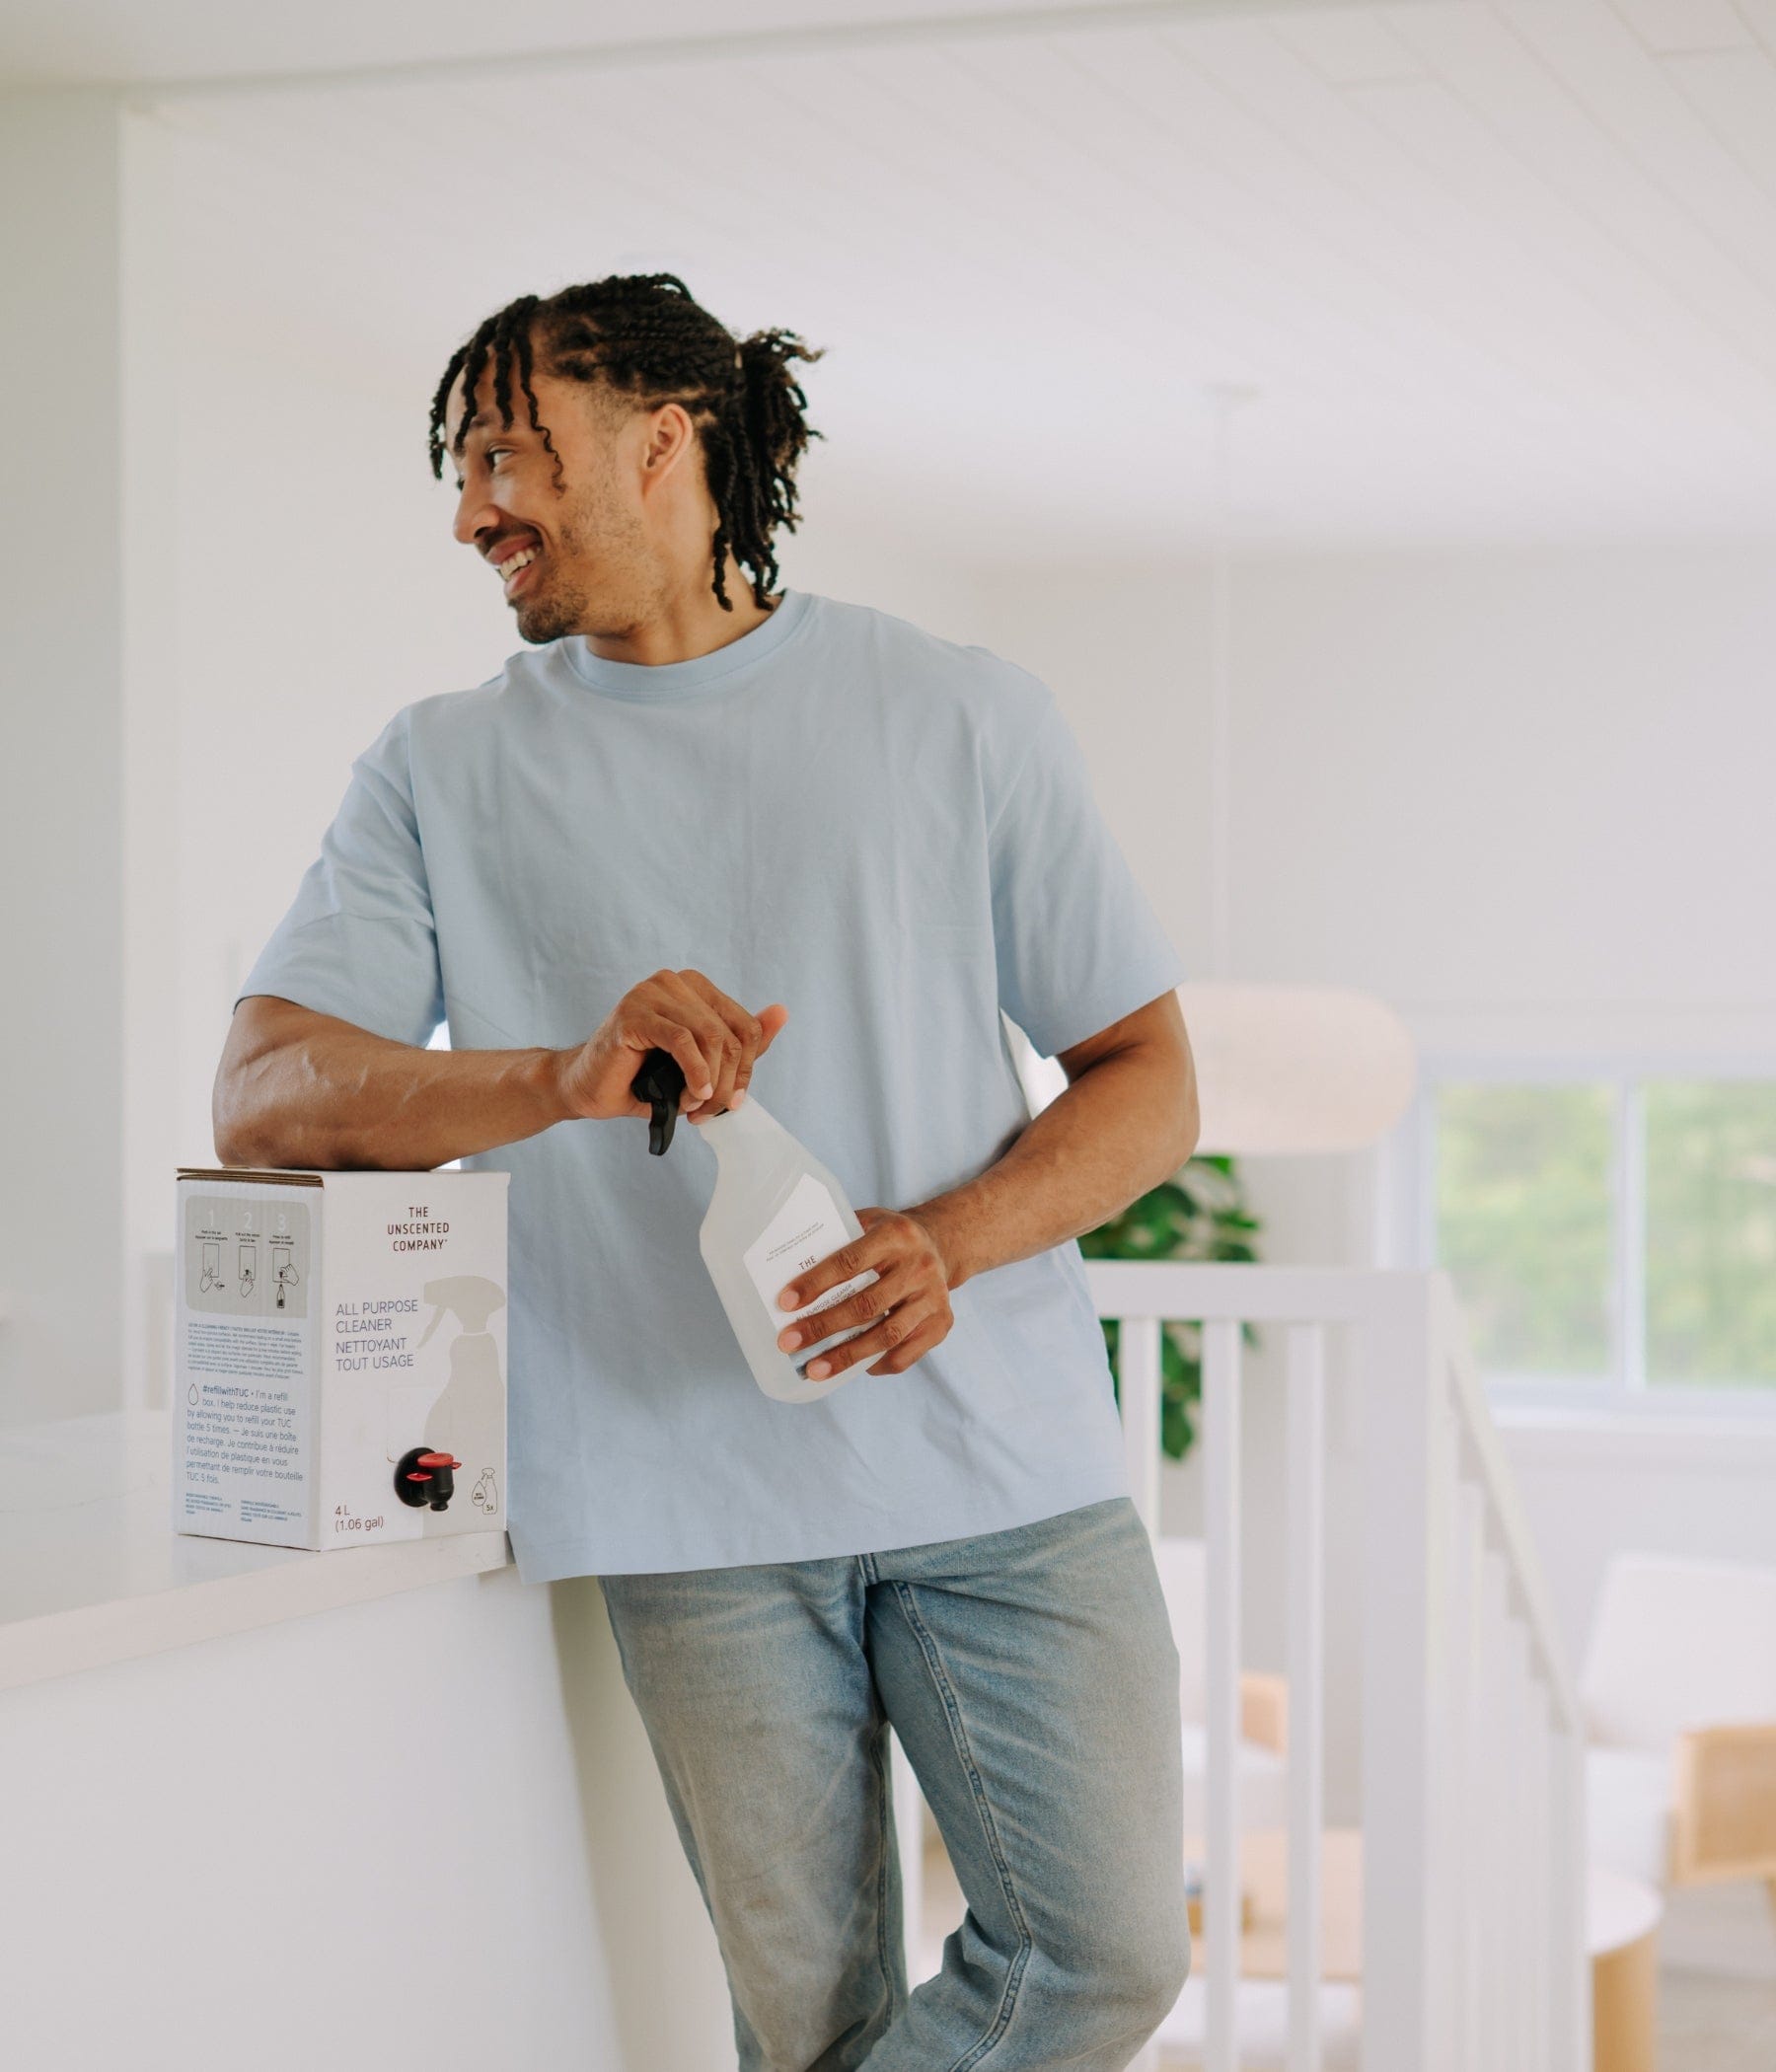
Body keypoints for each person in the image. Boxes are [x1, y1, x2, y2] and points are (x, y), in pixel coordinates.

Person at [215, 272, 1199, 2072]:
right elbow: (267, 1094)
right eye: (462, 468)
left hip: (1000, 1465)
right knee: (804, 2033)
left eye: (508, 456)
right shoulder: (441, 768)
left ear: (665, 442)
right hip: (684, 1505)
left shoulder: (956, 712)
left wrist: (949, 1241)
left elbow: (1148, 1082)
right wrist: (557, 1076)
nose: (470, 513)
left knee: (1108, 1956)